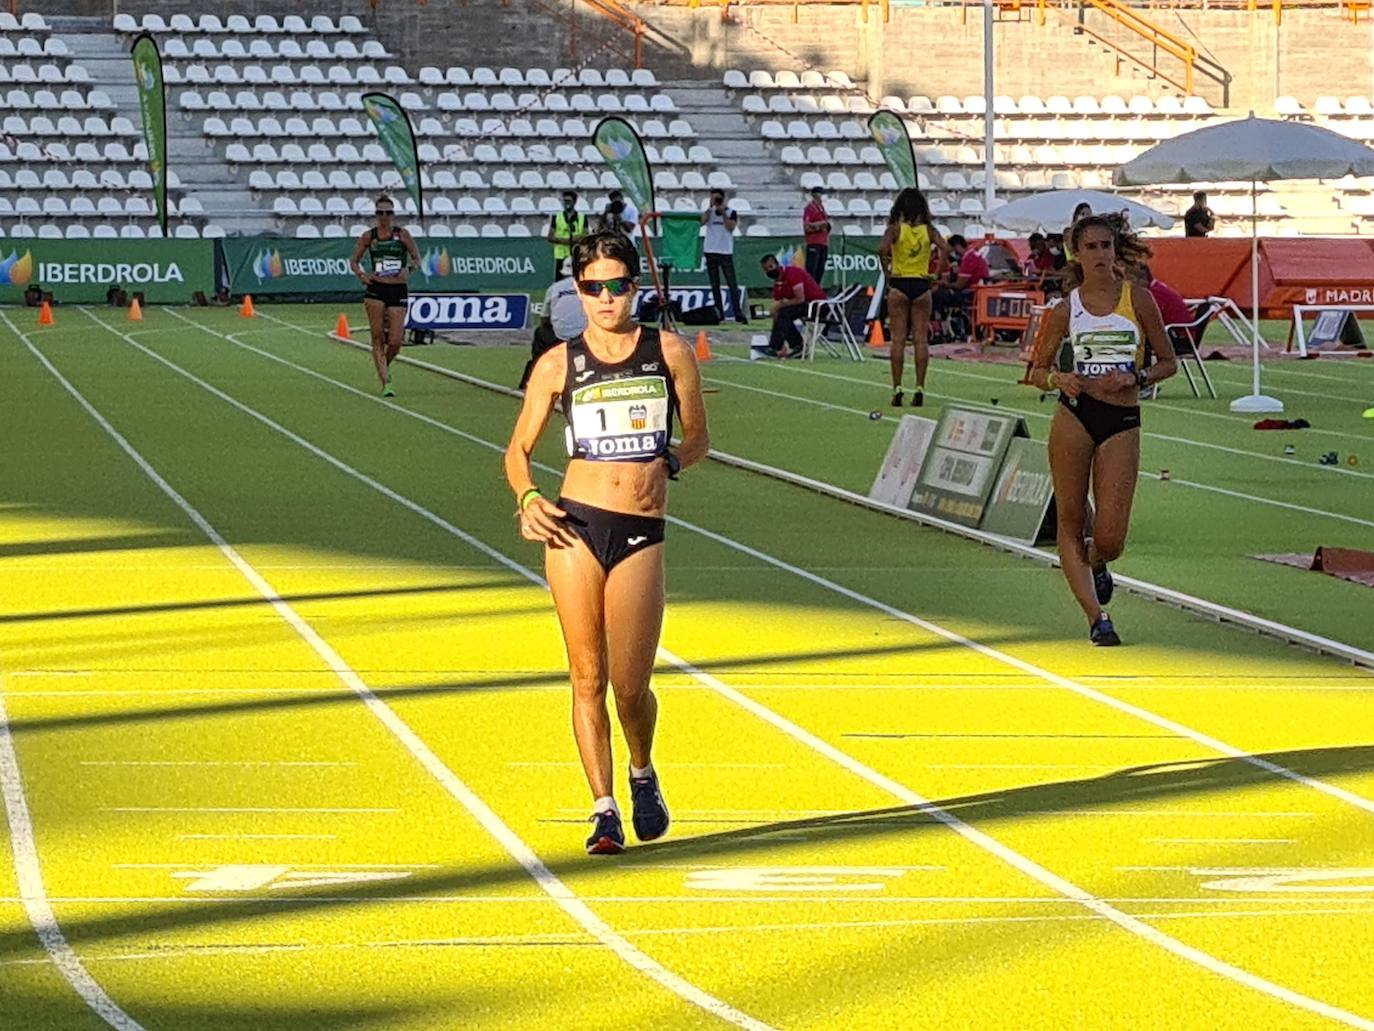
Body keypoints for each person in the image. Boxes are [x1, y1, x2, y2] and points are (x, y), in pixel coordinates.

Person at [503, 230, 709, 855]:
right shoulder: (558, 364)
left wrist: (669, 463)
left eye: (617, 286)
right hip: (575, 526)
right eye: (593, 289)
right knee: (585, 677)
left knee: (629, 685)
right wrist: (529, 499)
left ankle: (642, 769)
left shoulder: (669, 351)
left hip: (641, 530)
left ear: (634, 289)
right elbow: (517, 451)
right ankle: (603, 808)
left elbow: (699, 439)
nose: (606, 299)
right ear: (579, 292)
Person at [1026, 213, 1177, 646]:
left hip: (1121, 419)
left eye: (1104, 246)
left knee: (1110, 538)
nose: (1098, 255)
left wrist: (1137, 378)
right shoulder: (1064, 309)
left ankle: (1097, 562)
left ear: (1116, 251)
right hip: (1074, 413)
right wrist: (1059, 379)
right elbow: (1036, 370)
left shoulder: (1139, 300)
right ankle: (1097, 617)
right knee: (1070, 523)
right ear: (1076, 254)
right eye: (1089, 247)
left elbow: (1168, 362)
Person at [877, 188, 947, 407]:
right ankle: (919, 387)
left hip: (899, 283)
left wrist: (888, 271)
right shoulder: (929, 231)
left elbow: (881, 250)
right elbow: (945, 248)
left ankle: (897, 387)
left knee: (898, 339)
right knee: (920, 340)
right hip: (921, 284)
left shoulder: (895, 230)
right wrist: (936, 273)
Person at [349, 194, 420, 397]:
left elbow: (416, 259)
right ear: (375, 214)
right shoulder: (369, 236)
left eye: (388, 212)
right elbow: (354, 261)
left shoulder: (402, 235)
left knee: (396, 340)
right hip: (376, 290)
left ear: (393, 214)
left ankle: (383, 366)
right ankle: (386, 382)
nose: (384, 216)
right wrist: (361, 275)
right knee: (378, 336)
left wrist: (408, 268)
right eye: (380, 212)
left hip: (397, 289)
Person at [519, 273, 588, 391]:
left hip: (560, 337)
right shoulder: (591, 287)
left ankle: (532, 378)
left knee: (541, 333)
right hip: (586, 335)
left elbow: (545, 318)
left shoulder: (555, 288)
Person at [759, 253, 826, 358]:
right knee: (782, 314)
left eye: (771, 267)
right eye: (766, 269)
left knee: (785, 312)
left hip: (818, 305)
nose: (769, 271)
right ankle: (788, 346)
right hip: (804, 306)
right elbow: (776, 311)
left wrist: (782, 304)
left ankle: (778, 347)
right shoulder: (777, 285)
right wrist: (778, 332)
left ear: (777, 264)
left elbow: (800, 298)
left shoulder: (792, 274)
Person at [701, 189, 747, 324]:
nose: (716, 202)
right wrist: (710, 208)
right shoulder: (709, 212)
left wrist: (723, 213)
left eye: (718, 199)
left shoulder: (731, 212)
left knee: (731, 282)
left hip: (725, 251)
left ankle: (737, 312)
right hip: (710, 250)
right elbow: (702, 222)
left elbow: (731, 227)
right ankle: (718, 312)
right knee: (714, 284)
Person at [931, 233, 988, 336]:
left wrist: (945, 284)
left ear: (956, 246)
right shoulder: (974, 255)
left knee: (936, 296)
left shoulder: (968, 259)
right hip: (976, 292)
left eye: (951, 250)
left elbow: (959, 285)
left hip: (970, 294)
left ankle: (938, 329)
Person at [546, 190, 587, 280]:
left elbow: (586, 235)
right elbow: (550, 236)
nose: (566, 203)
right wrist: (564, 241)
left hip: (577, 254)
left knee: (579, 281)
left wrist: (575, 239)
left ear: (574, 202)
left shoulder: (582, 217)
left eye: (569, 201)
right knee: (559, 282)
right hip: (561, 255)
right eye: (564, 201)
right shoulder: (556, 217)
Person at [802, 185, 832, 287]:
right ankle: (810, 291)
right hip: (814, 243)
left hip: (823, 242)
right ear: (815, 195)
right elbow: (807, 226)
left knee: (820, 270)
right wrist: (819, 225)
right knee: (812, 270)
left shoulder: (822, 208)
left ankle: (816, 290)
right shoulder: (810, 208)